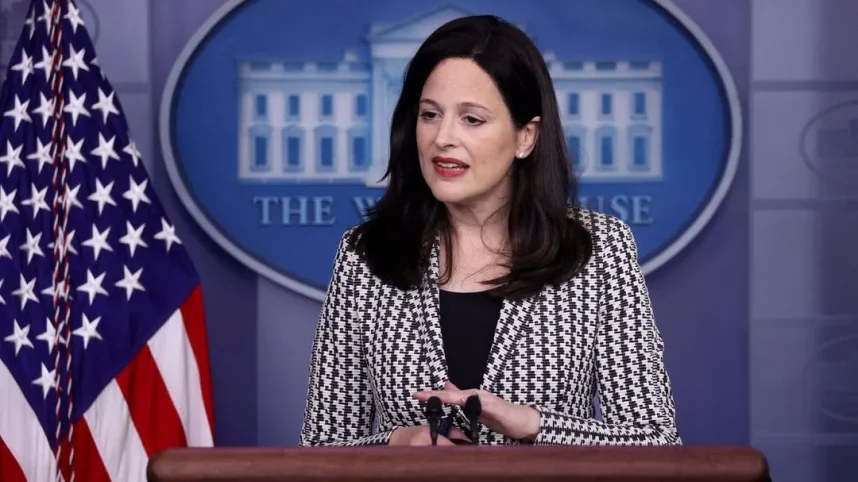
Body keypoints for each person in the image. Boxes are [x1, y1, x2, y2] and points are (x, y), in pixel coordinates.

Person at [298, 14, 680, 447]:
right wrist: (394, 445)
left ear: (525, 137)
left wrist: (534, 424)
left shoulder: (597, 250)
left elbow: (655, 441)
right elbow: (320, 449)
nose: (443, 138)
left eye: (472, 120)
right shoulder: (364, 254)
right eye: (429, 115)